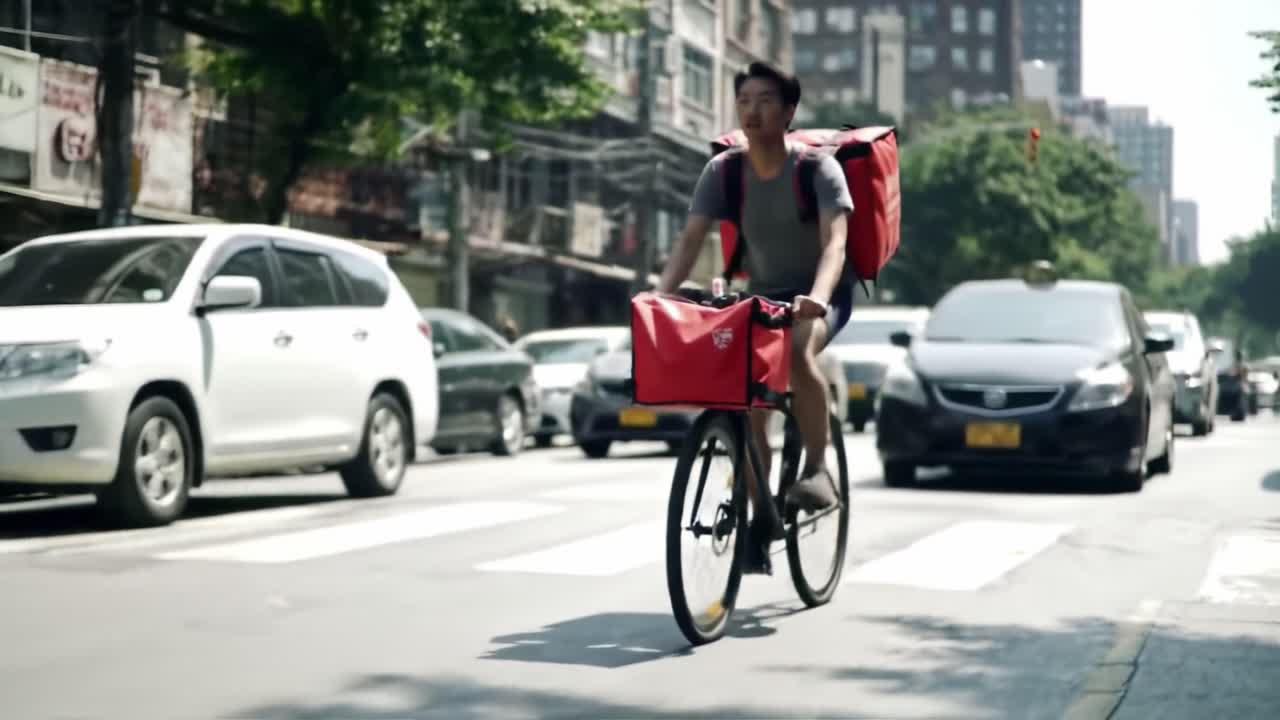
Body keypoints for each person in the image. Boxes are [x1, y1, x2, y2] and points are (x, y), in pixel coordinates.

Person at [654, 62, 856, 575]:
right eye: (744, 100)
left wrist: (816, 295)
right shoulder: (724, 172)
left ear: (789, 111)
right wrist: (661, 295)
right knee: (742, 396)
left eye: (766, 100)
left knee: (795, 350)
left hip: (821, 295)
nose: (753, 110)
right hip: (762, 295)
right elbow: (691, 239)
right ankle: (761, 511)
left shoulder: (817, 170)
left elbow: (836, 244)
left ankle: (815, 469)